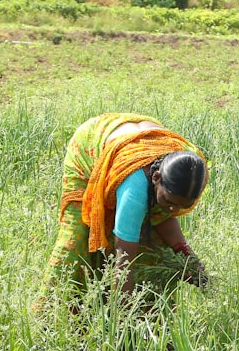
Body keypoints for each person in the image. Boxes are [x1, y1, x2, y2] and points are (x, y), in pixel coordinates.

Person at [43, 113, 209, 300]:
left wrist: (189, 260)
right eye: (170, 203)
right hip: (91, 147)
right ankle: (50, 314)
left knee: (153, 247)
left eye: (183, 206)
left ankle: (151, 317)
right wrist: (122, 316)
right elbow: (124, 260)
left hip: (140, 142)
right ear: (156, 178)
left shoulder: (191, 173)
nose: (174, 211)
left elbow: (163, 217)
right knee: (76, 241)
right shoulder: (135, 188)